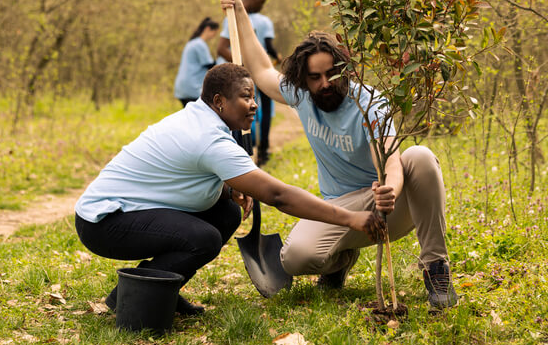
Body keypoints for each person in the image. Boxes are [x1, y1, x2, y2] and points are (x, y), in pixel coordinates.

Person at [75, 63, 386, 316]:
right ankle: (133, 300)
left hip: (125, 210)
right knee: (203, 239)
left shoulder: (198, 118)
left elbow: (181, 175)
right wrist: (350, 218)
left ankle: (163, 289)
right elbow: (278, 196)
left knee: (225, 213)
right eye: (245, 97)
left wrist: (225, 190)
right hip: (104, 221)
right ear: (219, 102)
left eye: (253, 97)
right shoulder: (210, 139)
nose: (254, 105)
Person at [219, 0, 458, 309]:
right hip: (341, 211)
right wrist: (241, 15)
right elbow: (261, 71)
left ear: (344, 69)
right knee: (294, 258)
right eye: (315, 77)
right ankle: (340, 260)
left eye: (331, 74)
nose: (324, 83)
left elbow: (390, 161)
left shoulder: (369, 103)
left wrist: (390, 189)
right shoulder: (302, 94)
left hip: (390, 206)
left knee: (420, 156)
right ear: (304, 78)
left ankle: (436, 267)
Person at [218, 0, 281, 166]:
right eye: (261, 2)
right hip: (247, 72)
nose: (262, 6)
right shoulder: (242, 18)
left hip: (258, 71)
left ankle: (258, 151)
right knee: (248, 110)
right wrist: (243, 67)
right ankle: (251, 151)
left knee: (251, 110)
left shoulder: (250, 18)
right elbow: (268, 46)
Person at [174, 17, 220, 107]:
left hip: (182, 88)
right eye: (214, 33)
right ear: (207, 29)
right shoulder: (200, 44)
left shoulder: (192, 43)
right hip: (192, 89)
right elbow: (211, 66)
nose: (214, 36)